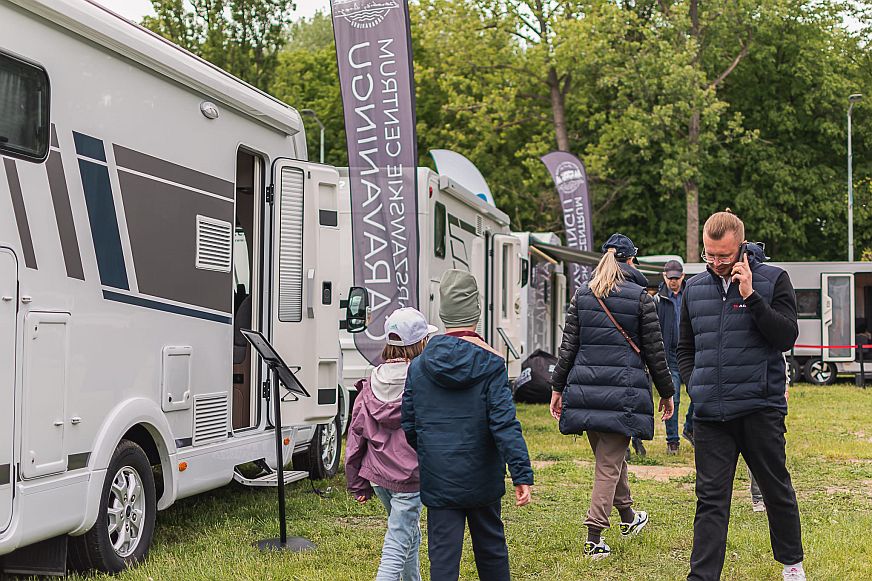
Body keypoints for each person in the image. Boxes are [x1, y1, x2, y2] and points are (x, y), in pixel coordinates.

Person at [678, 211, 805, 581]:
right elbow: (685, 347)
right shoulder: (693, 288)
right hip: (710, 414)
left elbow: (785, 337)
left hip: (759, 408)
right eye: (710, 255)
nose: (717, 263)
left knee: (775, 488)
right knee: (710, 500)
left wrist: (750, 296)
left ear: (741, 248)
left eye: (724, 256)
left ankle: (792, 564)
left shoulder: (773, 280)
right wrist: (693, 384)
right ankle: (702, 577)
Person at [402, 270, 534, 581]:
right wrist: (520, 473)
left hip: (438, 475)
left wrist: (430, 451)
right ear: (476, 312)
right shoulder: (491, 363)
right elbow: (504, 423)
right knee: (491, 551)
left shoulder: (419, 366)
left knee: (443, 560)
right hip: (482, 476)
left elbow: (408, 421)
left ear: (443, 313)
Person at [550, 233, 675, 560]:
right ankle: (594, 536)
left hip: (585, 390)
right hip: (624, 392)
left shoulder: (582, 295)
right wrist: (667, 392)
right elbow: (655, 352)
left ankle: (629, 517)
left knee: (610, 460)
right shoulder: (640, 298)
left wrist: (557, 387)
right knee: (609, 464)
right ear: (631, 260)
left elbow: (568, 349)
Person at [345, 307, 436, 581]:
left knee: (408, 532)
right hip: (409, 477)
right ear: (421, 343)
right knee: (397, 541)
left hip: (378, 476)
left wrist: (356, 482)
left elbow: (355, 434)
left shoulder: (372, 380)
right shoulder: (421, 380)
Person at [656, 259, 691, 454]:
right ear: (664, 276)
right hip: (669, 355)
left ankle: (690, 428)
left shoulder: (690, 294)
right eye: (670, 278)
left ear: (682, 276)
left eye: (677, 278)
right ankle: (672, 441)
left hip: (689, 353)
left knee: (699, 393)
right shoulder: (658, 299)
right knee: (673, 398)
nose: (674, 281)